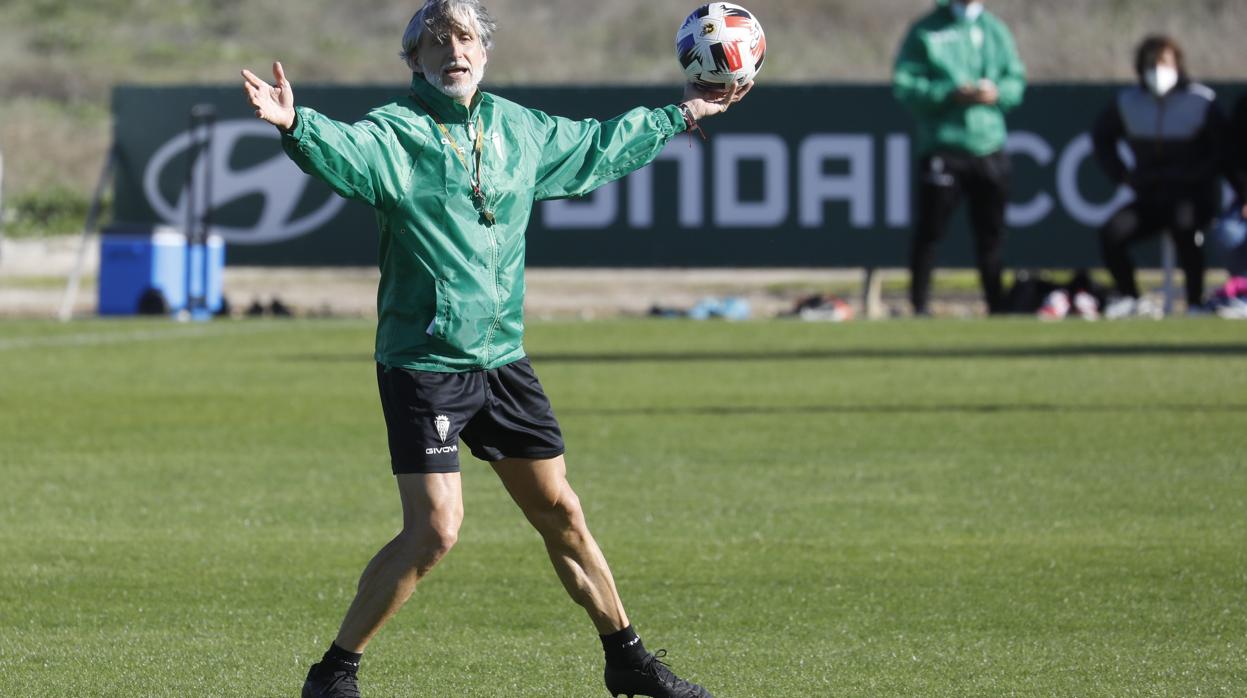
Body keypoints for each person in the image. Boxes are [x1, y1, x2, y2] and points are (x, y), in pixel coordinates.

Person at [242, 2, 748, 697]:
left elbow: (597, 148)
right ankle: (333, 674)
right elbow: (350, 154)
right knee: (435, 532)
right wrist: (297, 125)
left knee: (561, 514)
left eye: (466, 38)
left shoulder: (519, 128)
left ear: (484, 51)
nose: (453, 50)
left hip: (502, 360)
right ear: (413, 58)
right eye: (436, 40)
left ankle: (627, 662)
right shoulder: (398, 132)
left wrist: (682, 113)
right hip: (425, 363)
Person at [893, 0, 1027, 316]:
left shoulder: (995, 30)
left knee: (991, 236)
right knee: (930, 232)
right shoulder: (927, 30)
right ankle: (920, 306)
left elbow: (1015, 80)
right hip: (944, 146)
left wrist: (997, 93)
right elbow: (906, 85)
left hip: (988, 145)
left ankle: (997, 307)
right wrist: (949, 92)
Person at [1091, 35, 1232, 318]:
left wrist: (1194, 176)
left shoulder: (1199, 100)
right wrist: (1123, 176)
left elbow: (1221, 150)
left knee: (1185, 226)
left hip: (1192, 195)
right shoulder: (1129, 102)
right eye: (1150, 63)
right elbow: (1102, 137)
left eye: (1164, 62)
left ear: (1177, 63)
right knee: (1112, 233)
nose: (1157, 69)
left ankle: (1194, 301)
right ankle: (1132, 298)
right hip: (1150, 196)